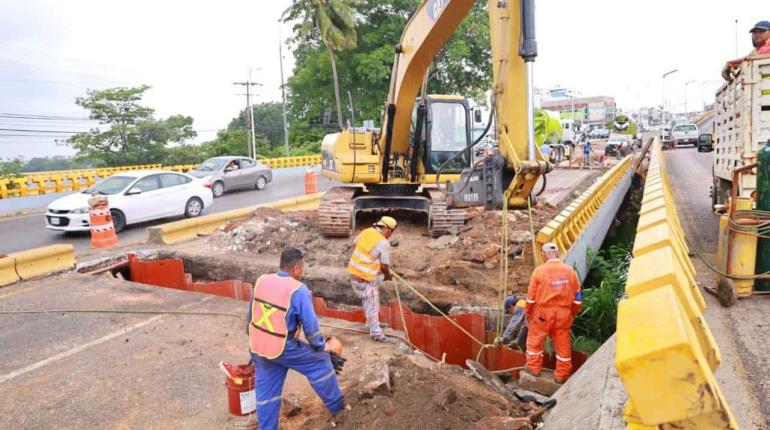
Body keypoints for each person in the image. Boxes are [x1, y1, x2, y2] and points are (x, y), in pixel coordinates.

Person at [248, 248, 345, 430]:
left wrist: (257, 339)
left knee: (266, 394)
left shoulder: (262, 280)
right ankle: (339, 408)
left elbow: (251, 316)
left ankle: (267, 427)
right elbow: (312, 330)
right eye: (302, 269)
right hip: (283, 346)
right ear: (297, 269)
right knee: (320, 362)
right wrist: (321, 347)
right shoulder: (298, 290)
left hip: (258, 345)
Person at [524, 243, 582, 384]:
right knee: (563, 345)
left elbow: (531, 298)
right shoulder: (570, 271)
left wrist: (528, 313)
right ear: (558, 253)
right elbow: (578, 298)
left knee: (535, 341)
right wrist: (572, 313)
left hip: (543, 313)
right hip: (563, 313)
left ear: (544, 254)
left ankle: (533, 368)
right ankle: (561, 375)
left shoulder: (539, 271)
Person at [347, 216, 397, 343]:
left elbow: (355, 244)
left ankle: (371, 324)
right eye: (391, 231)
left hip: (354, 274)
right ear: (387, 229)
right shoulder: (383, 242)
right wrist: (387, 275)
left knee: (367, 301)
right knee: (373, 304)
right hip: (365, 278)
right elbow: (384, 265)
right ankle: (376, 333)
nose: (391, 235)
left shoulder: (367, 231)